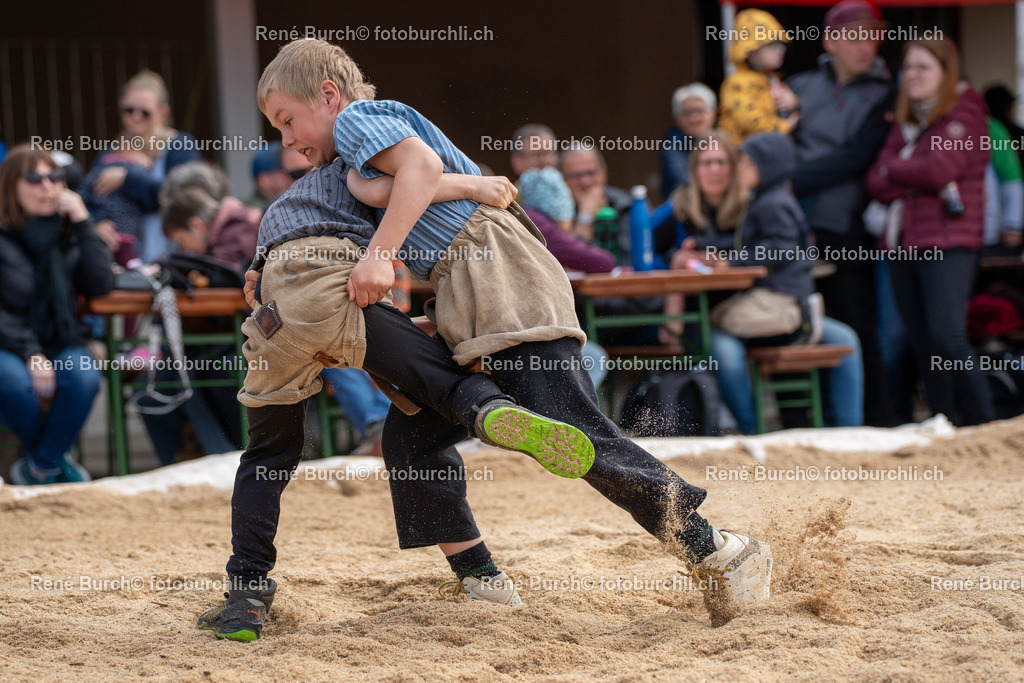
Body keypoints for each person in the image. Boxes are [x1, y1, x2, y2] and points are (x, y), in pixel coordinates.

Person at [255, 38, 772, 632]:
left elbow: (421, 170)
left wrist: (380, 256)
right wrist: (471, 188)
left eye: (288, 120)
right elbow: (419, 182)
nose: (287, 140)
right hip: (470, 285)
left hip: (496, 273)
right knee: (413, 438)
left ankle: (716, 548)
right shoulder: (358, 164)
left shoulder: (357, 119)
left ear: (328, 94)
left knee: (577, 431)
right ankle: (483, 582)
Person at [195, 151, 596, 639]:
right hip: (337, 286)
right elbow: (408, 182)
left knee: (266, 457)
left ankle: (246, 599)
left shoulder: (277, 204)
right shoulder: (357, 160)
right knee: (444, 385)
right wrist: (476, 184)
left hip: (272, 314)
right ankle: (489, 412)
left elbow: (257, 278)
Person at [672, 131, 863, 432]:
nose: (720, 170)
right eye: (707, 163)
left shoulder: (763, 202)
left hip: (772, 302)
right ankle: (754, 429)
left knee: (847, 340)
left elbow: (776, 247)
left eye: (727, 162)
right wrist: (690, 255)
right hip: (757, 304)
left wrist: (727, 260)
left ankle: (849, 430)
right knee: (723, 345)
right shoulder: (683, 208)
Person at [777, 0, 895, 427]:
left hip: (846, 228)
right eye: (855, 36)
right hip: (791, 228)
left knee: (856, 322)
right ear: (831, 40)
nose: (867, 45)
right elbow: (775, 141)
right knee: (793, 321)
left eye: (873, 35)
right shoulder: (800, 87)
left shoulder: (887, 91)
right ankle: (799, 422)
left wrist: (790, 178)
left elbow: (856, 157)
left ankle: (871, 421)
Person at [866, 38, 995, 427]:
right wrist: (911, 173)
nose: (913, 75)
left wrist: (899, 169)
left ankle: (985, 423)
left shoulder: (966, 111)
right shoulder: (907, 118)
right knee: (921, 341)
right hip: (904, 242)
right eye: (908, 67)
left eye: (924, 67)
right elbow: (875, 181)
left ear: (945, 72)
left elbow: (939, 170)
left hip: (950, 244)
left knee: (947, 336)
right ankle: (945, 422)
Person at [0, 145, 114, 484]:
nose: (47, 186)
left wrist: (83, 222)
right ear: (11, 186)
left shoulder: (68, 234)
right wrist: (30, 353)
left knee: (83, 376)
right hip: (10, 343)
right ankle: (51, 462)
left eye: (55, 178)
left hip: (61, 340)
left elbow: (101, 284)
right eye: (34, 178)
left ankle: (39, 466)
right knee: (14, 383)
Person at [88, 70, 200, 263]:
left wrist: (126, 179)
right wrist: (96, 223)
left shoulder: (180, 145)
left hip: (171, 259)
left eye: (145, 112)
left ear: (163, 112)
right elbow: (89, 195)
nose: (136, 117)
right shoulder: (113, 151)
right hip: (122, 261)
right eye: (129, 110)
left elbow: (183, 199)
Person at [718, 9, 798, 144]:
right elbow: (749, 121)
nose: (781, 49)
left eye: (782, 44)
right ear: (750, 47)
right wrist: (784, 126)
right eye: (773, 43)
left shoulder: (772, 79)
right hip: (741, 156)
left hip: (767, 152)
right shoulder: (738, 81)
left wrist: (794, 103)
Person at [661, 83, 717, 199]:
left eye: (699, 111)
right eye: (687, 113)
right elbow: (684, 183)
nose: (694, 119)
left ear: (713, 114)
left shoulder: (723, 143)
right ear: (677, 118)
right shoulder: (672, 148)